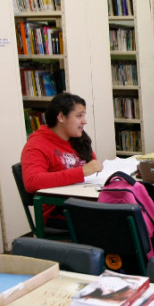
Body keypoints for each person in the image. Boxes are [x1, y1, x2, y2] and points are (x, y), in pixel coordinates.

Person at [21, 92, 103, 225]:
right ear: (61, 117)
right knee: (120, 219)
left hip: (85, 201)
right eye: (79, 116)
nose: (84, 121)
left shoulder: (78, 138)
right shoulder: (37, 145)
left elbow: (91, 168)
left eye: (84, 115)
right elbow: (32, 182)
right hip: (58, 209)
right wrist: (80, 172)